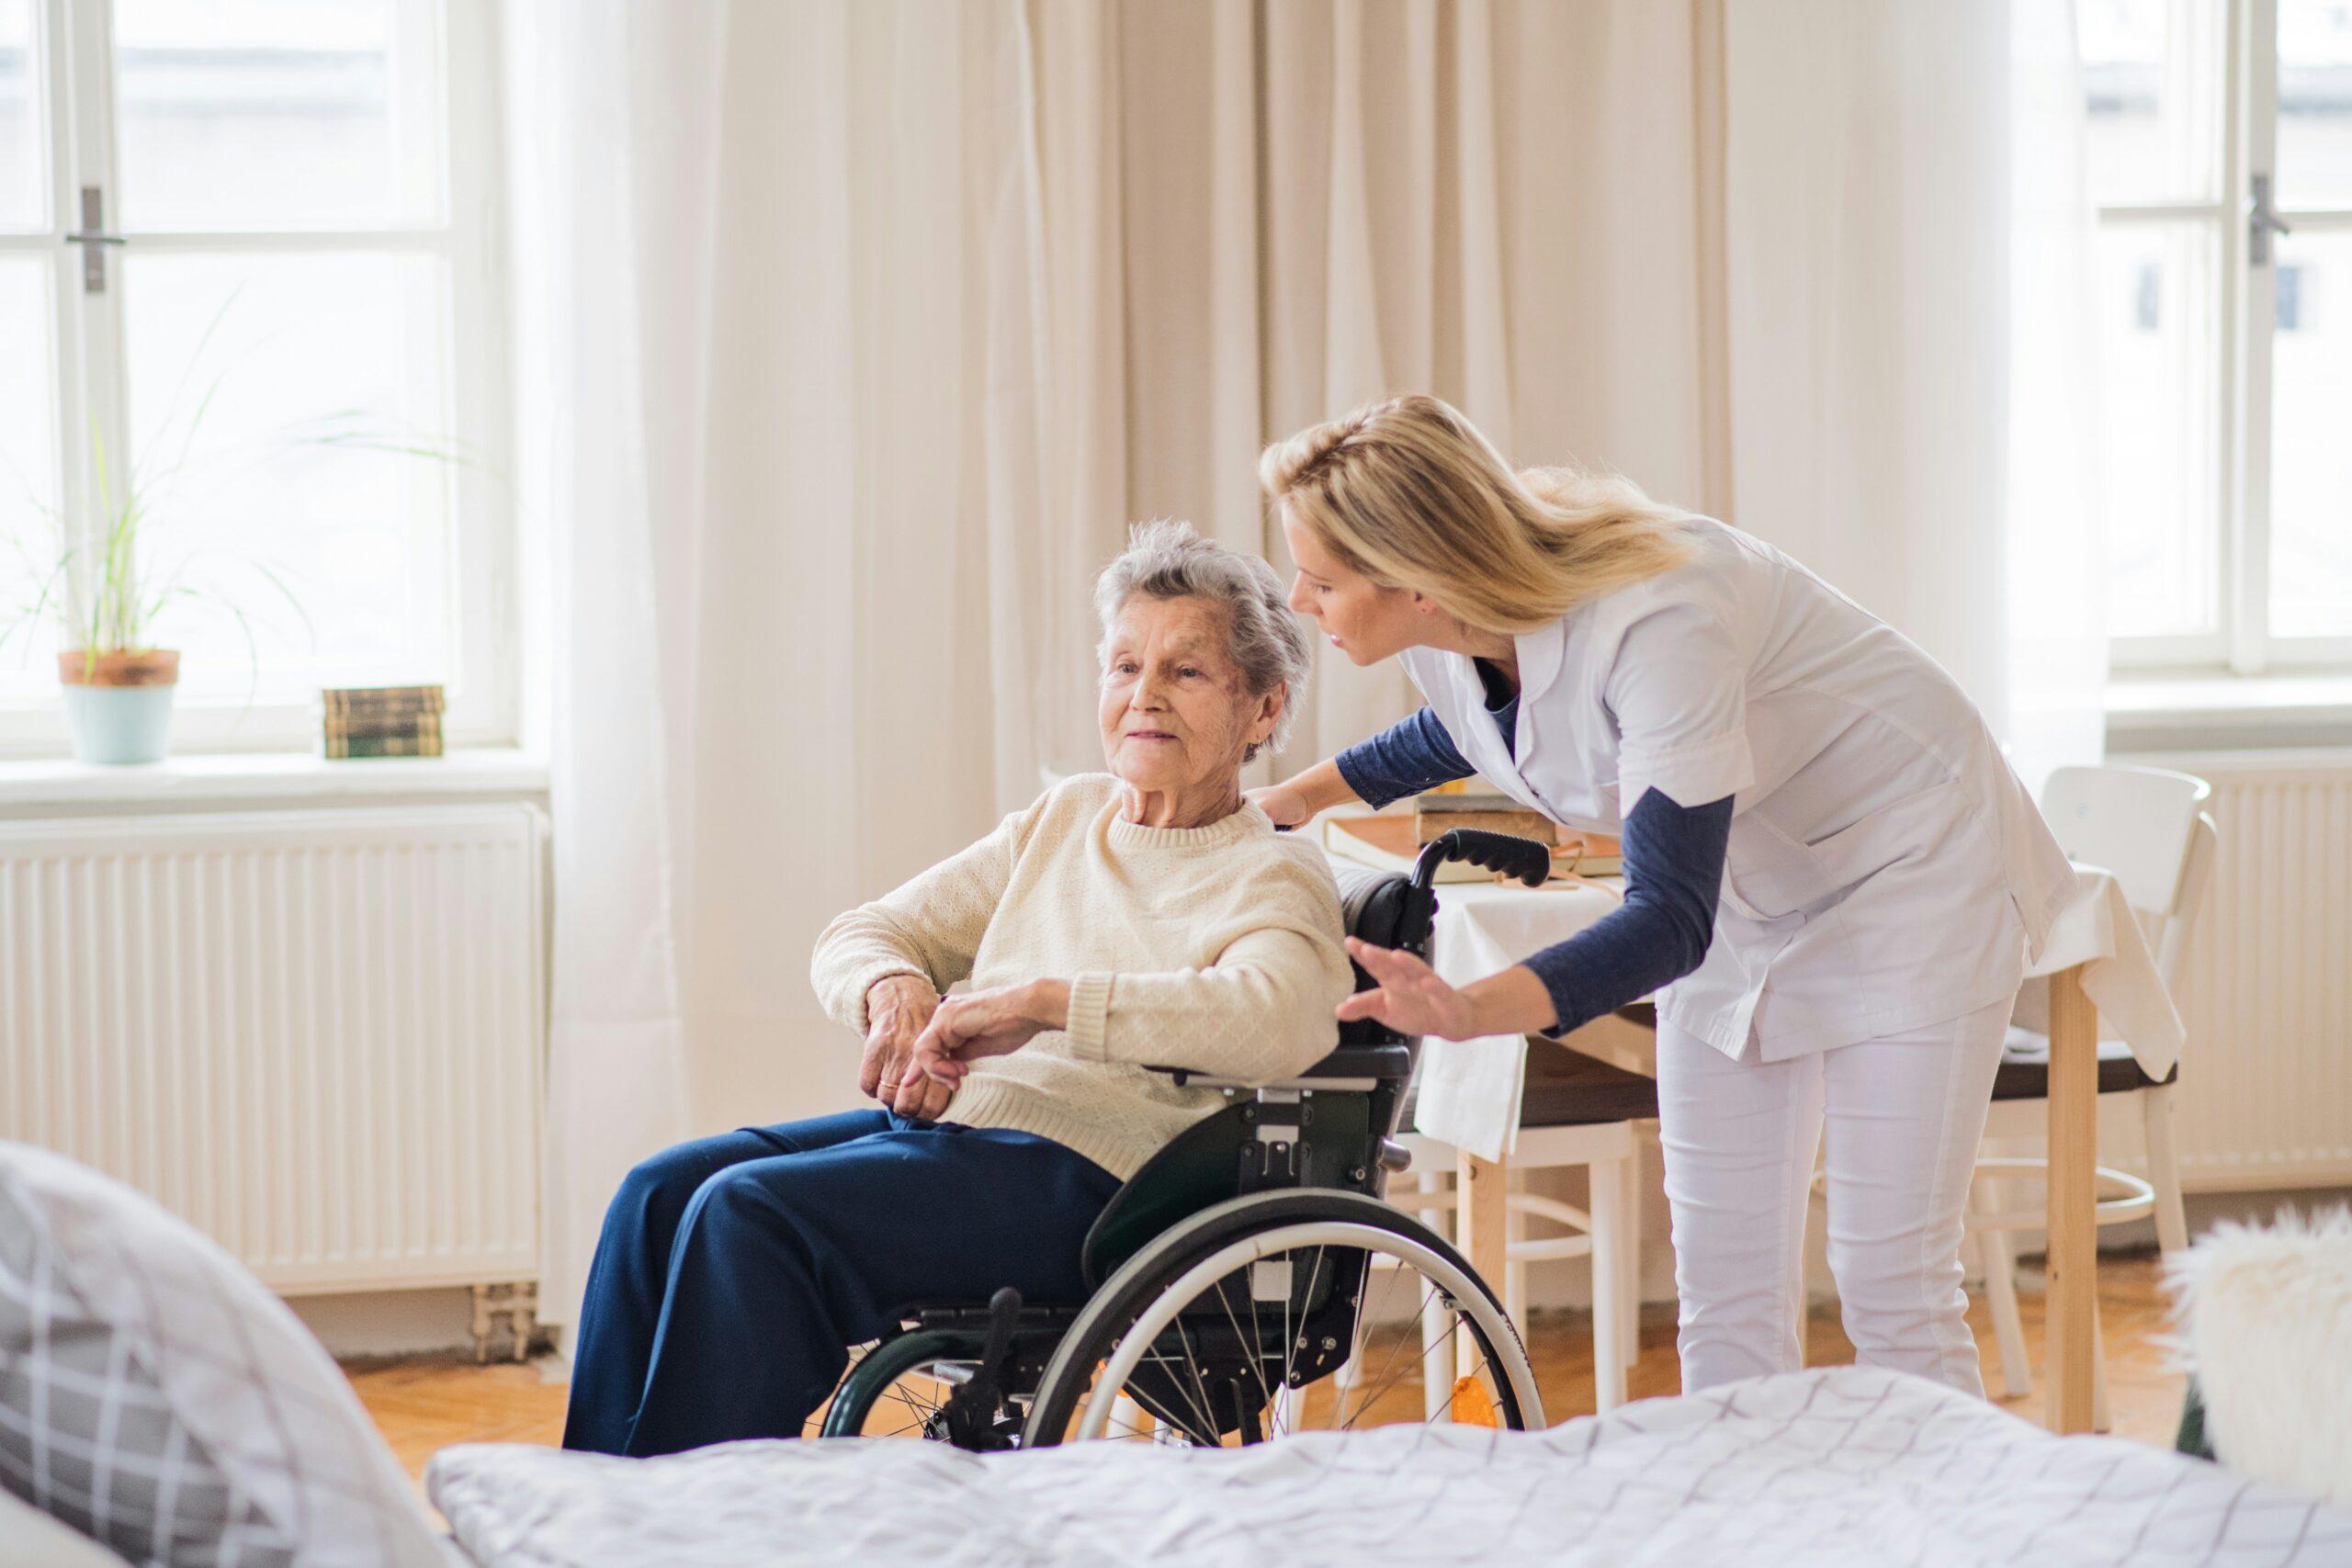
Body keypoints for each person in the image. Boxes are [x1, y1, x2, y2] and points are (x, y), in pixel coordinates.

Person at [1250, 394, 2074, 1398]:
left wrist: (1473, 1009)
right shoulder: (1457, 619)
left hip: (1913, 874)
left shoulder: (1662, 616)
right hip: (1749, 884)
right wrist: (1294, 798)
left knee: (1888, 1278)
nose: (1297, 600)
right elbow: (1467, 727)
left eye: (1322, 579)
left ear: (1417, 578)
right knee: (1723, 1285)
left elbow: (1666, 922)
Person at [561, 522, 1352, 1455]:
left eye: (1184, 673)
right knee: (657, 1193)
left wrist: (1043, 1003)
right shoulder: (1066, 819)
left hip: (1108, 1186)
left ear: (1263, 710)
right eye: (1123, 666)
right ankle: (603, 1510)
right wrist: (893, 990)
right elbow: (862, 932)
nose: (1141, 697)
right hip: (965, 1136)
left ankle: (694, 1533)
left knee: (749, 1219)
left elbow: (1277, 1020)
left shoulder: (1274, 872)